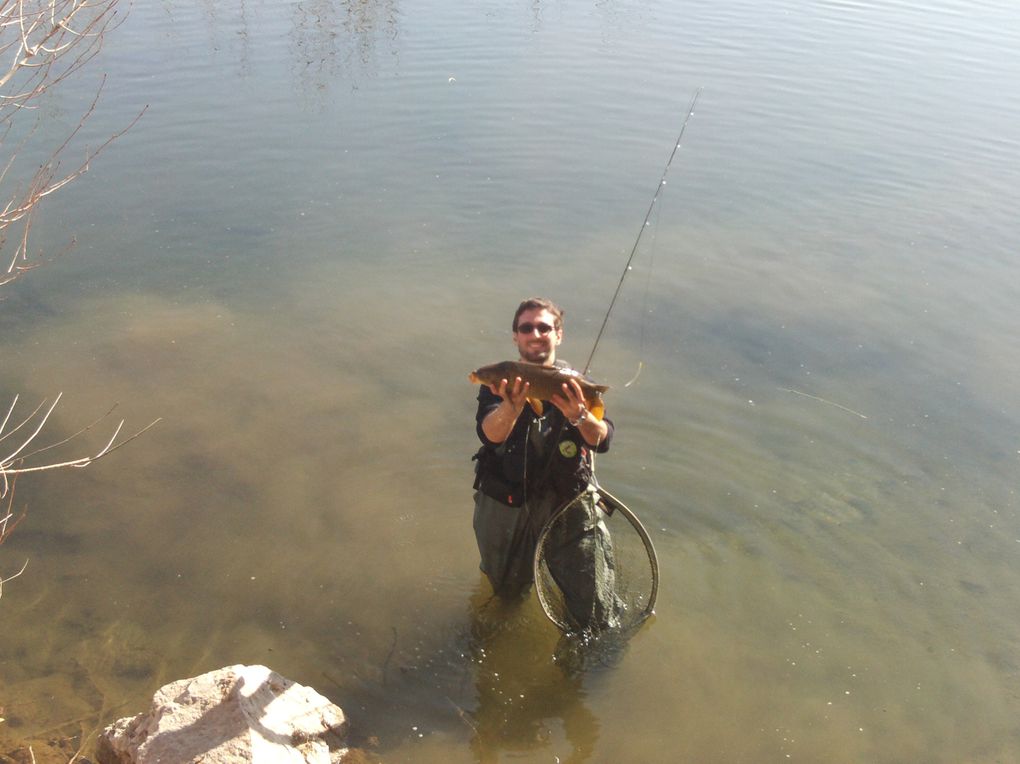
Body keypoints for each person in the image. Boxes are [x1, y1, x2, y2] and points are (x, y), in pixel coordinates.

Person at [472, 297, 621, 631]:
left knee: (592, 611)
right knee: (505, 593)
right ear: (516, 337)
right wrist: (511, 408)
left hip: (565, 504)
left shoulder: (573, 383)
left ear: (559, 335)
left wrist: (580, 415)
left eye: (544, 327)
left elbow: (603, 439)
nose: (535, 333)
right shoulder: (500, 381)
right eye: (527, 328)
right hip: (507, 500)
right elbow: (490, 436)